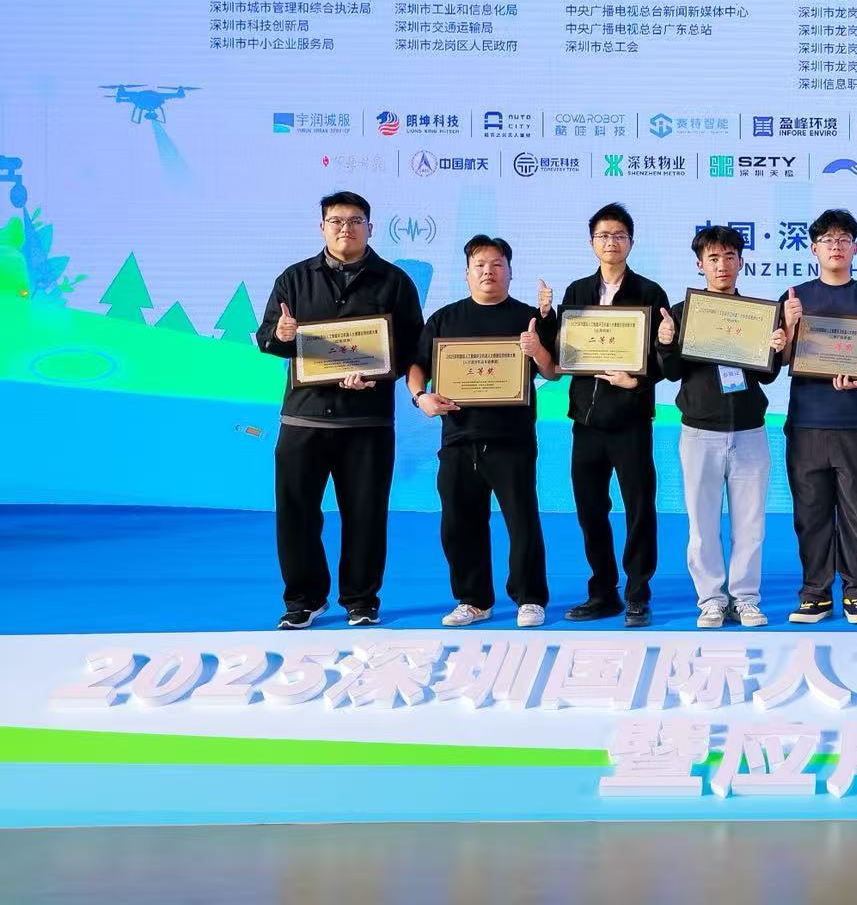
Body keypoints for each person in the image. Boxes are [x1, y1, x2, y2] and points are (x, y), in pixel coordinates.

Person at [256, 191, 423, 629]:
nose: (345, 228)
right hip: (303, 418)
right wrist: (281, 333)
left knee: (365, 514)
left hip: (367, 421)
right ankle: (303, 600)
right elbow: (266, 339)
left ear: (370, 227)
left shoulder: (394, 282)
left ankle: (361, 599)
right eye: (336, 221)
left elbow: (412, 348)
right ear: (322, 227)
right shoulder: (294, 279)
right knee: (296, 514)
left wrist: (380, 375)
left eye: (355, 220)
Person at [410, 234, 559, 628]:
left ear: (510, 271)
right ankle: (473, 600)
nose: (488, 272)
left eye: (497, 264)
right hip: (459, 437)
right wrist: (420, 397)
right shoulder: (445, 319)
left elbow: (552, 372)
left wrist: (536, 350)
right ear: (467, 273)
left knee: (522, 522)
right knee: (459, 524)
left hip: (512, 439)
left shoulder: (528, 317)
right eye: (480, 265)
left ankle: (530, 598)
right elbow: (418, 365)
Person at [540, 203, 674, 629]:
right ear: (591, 242)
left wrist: (637, 381)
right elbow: (563, 354)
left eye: (619, 235)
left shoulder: (650, 292)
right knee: (590, 509)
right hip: (586, 420)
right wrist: (546, 318)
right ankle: (603, 592)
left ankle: (638, 594)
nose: (611, 242)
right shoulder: (578, 291)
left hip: (631, 420)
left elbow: (663, 359)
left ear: (631, 242)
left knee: (639, 508)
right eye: (603, 235)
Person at [654, 225, 787, 629]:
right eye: (713, 258)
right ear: (700, 265)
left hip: (749, 431)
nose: (722, 265)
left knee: (751, 524)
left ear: (741, 262)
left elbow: (766, 377)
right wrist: (665, 342)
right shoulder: (682, 312)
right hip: (700, 432)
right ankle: (711, 599)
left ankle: (745, 598)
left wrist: (777, 349)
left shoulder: (757, 315)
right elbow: (672, 372)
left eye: (730, 257)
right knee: (702, 524)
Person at [780, 209, 857, 624]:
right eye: (827, 240)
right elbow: (782, 358)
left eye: (843, 239)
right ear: (813, 248)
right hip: (807, 424)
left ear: (856, 247)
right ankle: (815, 593)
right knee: (810, 514)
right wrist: (789, 328)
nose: (836, 246)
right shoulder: (795, 298)